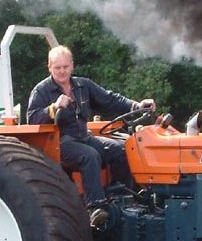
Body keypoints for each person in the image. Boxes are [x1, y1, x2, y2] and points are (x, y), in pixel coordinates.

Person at [26, 45, 154, 225]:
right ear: (49, 67)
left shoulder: (83, 85)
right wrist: (53, 108)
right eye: (57, 67)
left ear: (72, 65)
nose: (62, 71)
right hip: (59, 143)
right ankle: (95, 207)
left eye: (65, 67)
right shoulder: (41, 91)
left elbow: (110, 99)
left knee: (121, 149)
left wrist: (136, 105)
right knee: (89, 155)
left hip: (83, 137)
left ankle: (121, 197)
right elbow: (32, 119)